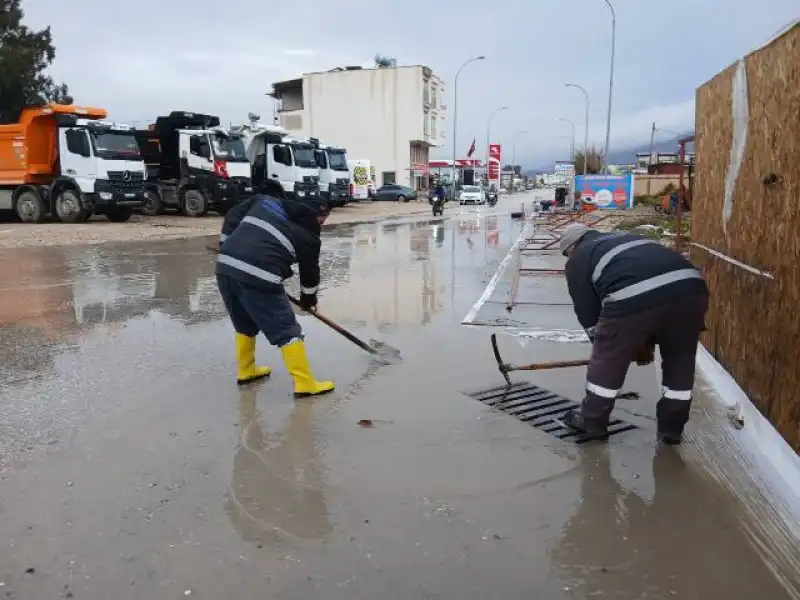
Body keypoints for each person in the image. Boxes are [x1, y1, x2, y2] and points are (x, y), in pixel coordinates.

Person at [558, 223, 709, 444]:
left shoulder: (579, 258)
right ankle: (672, 428)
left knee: (608, 357)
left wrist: (610, 345)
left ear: (572, 246)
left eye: (566, 254)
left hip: (636, 296)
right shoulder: (625, 239)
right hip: (692, 291)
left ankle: (591, 421)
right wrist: (641, 341)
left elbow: (588, 314)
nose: (568, 258)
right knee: (680, 358)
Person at [215, 193, 335, 397]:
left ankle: (246, 370)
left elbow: (233, 215)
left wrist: (225, 244)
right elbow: (310, 274)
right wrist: (308, 300)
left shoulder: (265, 202)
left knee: (244, 322)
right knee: (286, 328)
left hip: (225, 267)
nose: (322, 225)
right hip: (258, 276)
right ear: (316, 215)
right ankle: (305, 383)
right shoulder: (309, 236)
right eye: (323, 220)